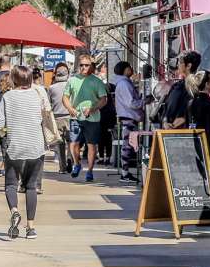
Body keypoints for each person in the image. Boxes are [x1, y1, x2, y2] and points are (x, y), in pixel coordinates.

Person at [0, 66, 46, 240]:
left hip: (15, 145)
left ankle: (14, 211)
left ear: (13, 79)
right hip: (35, 145)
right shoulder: (38, 94)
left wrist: (1, 131)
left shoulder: (7, 97)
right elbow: (43, 117)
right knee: (31, 186)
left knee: (10, 184)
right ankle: (31, 228)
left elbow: (0, 123)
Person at [62, 54, 108, 182]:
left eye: (86, 65)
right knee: (73, 143)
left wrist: (93, 109)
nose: (83, 67)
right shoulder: (72, 80)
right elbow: (65, 97)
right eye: (81, 65)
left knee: (91, 145)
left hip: (92, 118)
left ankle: (90, 170)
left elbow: (103, 99)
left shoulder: (97, 81)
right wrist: (70, 108)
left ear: (92, 66)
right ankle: (77, 164)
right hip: (76, 117)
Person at [113, 61, 143, 183]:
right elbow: (131, 103)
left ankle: (126, 173)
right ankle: (125, 174)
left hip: (129, 117)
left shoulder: (123, 83)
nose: (132, 69)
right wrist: (144, 102)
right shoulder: (124, 84)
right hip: (128, 118)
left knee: (128, 145)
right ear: (125, 69)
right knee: (127, 146)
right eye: (130, 67)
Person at [187, 70, 210, 163]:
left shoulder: (191, 102)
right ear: (206, 84)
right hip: (205, 145)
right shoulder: (208, 104)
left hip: (192, 144)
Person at [163, 50, 201, 129]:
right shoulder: (177, 85)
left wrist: (173, 124)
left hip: (182, 131)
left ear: (188, 66)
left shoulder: (195, 87)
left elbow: (189, 111)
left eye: (180, 62)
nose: (177, 65)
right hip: (170, 130)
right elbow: (167, 107)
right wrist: (165, 121)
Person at [47, 63, 72, 173]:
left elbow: (49, 104)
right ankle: (70, 158)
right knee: (71, 141)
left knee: (60, 144)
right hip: (70, 116)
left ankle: (62, 167)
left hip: (57, 118)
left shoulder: (51, 88)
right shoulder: (71, 85)